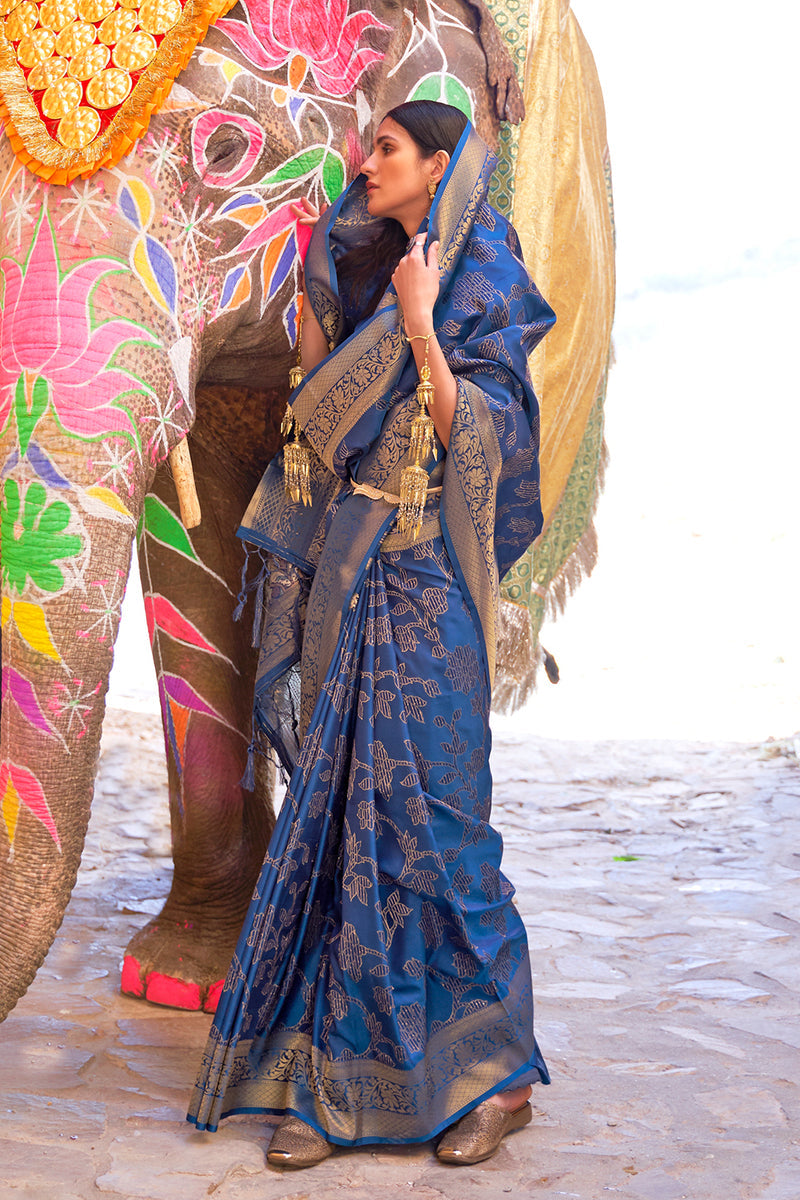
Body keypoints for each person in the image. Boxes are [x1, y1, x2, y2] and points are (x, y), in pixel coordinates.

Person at [187, 100, 556, 1168]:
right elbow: (310, 414)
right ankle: (331, 1084)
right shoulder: (367, 275)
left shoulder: (476, 277)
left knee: (437, 832)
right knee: (344, 825)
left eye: (385, 149)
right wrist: (346, 293)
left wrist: (423, 321)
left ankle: (497, 1079)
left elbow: (486, 435)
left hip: (427, 588)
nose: (364, 162)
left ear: (439, 165)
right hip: (347, 589)